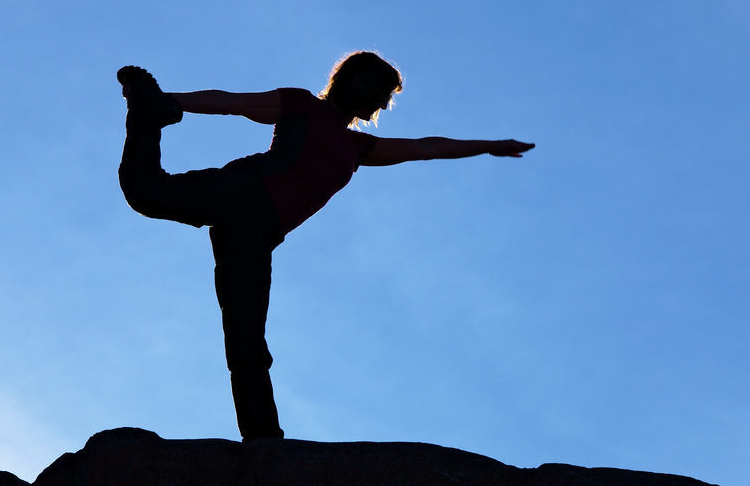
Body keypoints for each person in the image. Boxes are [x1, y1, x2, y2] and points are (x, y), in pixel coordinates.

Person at [117, 51, 534, 441]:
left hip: (258, 234)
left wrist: (486, 147)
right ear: (355, 79)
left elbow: (426, 147)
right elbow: (233, 102)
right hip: (244, 191)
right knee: (146, 192)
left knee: (246, 336)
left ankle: (264, 441)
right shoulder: (302, 106)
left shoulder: (358, 147)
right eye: (382, 91)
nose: (384, 104)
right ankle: (146, 107)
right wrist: (169, 99)